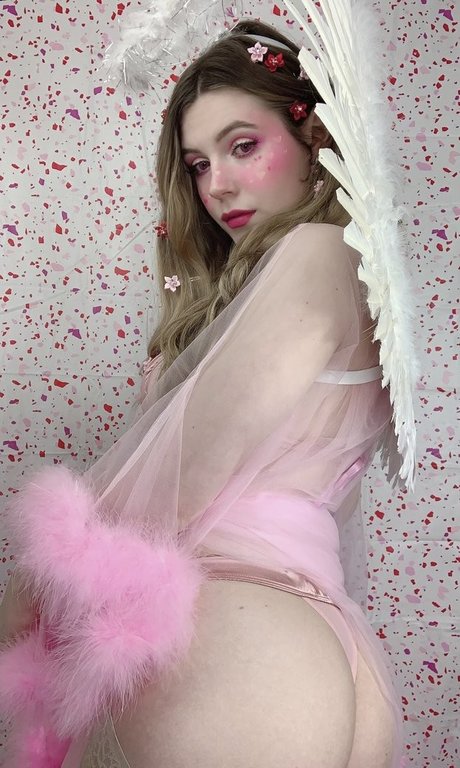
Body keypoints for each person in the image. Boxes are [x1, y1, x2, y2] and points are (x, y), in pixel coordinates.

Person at [0, 16, 414, 768]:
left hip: (240, 630)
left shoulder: (319, 252)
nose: (216, 184)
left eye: (243, 145)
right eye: (197, 163)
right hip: (319, 640)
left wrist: (29, 593)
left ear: (315, 136)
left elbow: (185, 471)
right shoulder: (345, 278)